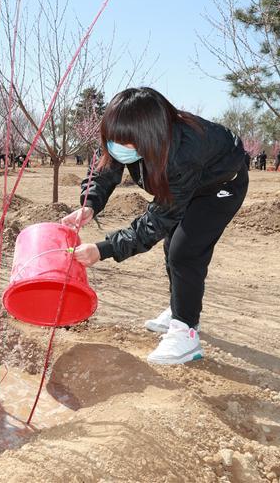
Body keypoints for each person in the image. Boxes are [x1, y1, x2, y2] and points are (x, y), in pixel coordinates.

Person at [61, 87, 248, 365]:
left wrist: (104, 249)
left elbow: (156, 221)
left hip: (220, 186)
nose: (116, 147)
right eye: (111, 139)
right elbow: (105, 167)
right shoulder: (130, 137)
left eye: (126, 143)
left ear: (150, 138)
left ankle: (186, 333)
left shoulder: (182, 152)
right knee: (174, 246)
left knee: (184, 251)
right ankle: (178, 310)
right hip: (189, 182)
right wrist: (90, 203)